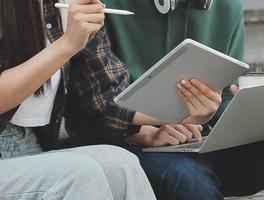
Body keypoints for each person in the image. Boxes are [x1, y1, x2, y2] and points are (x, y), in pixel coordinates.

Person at [66, 0, 264, 199]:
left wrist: (249, 110)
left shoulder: (225, 6)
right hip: (127, 145)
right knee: (190, 178)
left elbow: (224, 97)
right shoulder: (101, 7)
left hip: (197, 140)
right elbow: (90, 109)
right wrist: (141, 130)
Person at [0, 0, 157, 199]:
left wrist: (174, 109)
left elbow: (101, 94)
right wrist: (67, 44)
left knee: (121, 164)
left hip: (30, 145)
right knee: (80, 173)